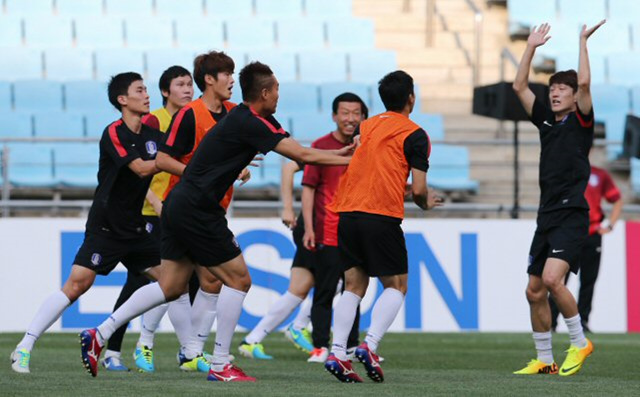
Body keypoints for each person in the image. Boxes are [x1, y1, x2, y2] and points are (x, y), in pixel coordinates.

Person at [78, 61, 352, 382]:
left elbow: (289, 147)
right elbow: (302, 156)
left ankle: (101, 333)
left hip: (181, 204)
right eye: (276, 90)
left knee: (169, 285)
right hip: (198, 208)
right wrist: (351, 156)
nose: (279, 95)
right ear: (264, 93)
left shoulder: (241, 115)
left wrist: (342, 153)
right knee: (239, 280)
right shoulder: (246, 120)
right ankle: (221, 362)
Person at [11, 72, 164, 374]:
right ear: (123, 99)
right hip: (106, 226)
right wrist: (179, 166)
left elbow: (183, 154)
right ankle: (24, 347)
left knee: (173, 283)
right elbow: (141, 169)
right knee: (77, 285)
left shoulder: (151, 135)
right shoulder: (114, 132)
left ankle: (188, 353)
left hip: (135, 227)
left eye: (147, 89)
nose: (147, 95)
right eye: (140, 90)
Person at [324, 70, 442, 383]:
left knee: (353, 287)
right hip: (380, 215)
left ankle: (338, 353)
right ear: (411, 98)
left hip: (347, 213)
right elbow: (418, 190)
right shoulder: (416, 134)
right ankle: (370, 346)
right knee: (397, 284)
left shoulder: (366, 126)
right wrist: (426, 203)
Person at [238, 93, 368, 361]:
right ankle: (302, 333)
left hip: (344, 230)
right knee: (324, 287)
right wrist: (292, 212)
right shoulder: (322, 147)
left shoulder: (365, 147)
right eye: (345, 112)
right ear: (334, 115)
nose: (351, 118)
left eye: (356, 113)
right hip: (319, 229)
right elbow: (291, 171)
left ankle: (260, 337)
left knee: (304, 288)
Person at [511, 21, 605, 377]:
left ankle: (580, 343)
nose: (555, 94)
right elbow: (519, 85)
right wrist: (531, 47)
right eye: (553, 89)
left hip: (572, 215)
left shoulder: (581, 122)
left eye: (561, 90)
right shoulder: (546, 122)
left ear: (572, 96)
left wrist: (582, 41)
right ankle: (544, 359)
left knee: (552, 280)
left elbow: (584, 83)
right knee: (534, 291)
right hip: (546, 215)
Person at [149, 51, 251, 374]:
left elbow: (226, 158)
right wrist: (199, 175)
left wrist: (239, 169)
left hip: (211, 208)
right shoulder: (187, 115)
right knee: (188, 283)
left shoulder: (234, 113)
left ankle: (190, 350)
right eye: (227, 73)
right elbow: (162, 160)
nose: (232, 80)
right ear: (209, 78)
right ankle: (174, 346)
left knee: (196, 283)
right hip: (186, 209)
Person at [101, 66, 196, 373]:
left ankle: (167, 347)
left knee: (175, 281)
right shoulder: (153, 121)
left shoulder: (190, 118)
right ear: (166, 91)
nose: (187, 90)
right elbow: (139, 170)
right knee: (149, 282)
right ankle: (128, 346)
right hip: (150, 213)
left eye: (189, 84)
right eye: (180, 84)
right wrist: (155, 202)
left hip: (175, 211)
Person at [549, 162, 623, 332]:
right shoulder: (566, 171)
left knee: (588, 280)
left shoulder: (599, 174)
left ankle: (583, 321)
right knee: (557, 279)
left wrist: (610, 225)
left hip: (592, 234)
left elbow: (617, 199)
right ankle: (551, 322)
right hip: (568, 234)